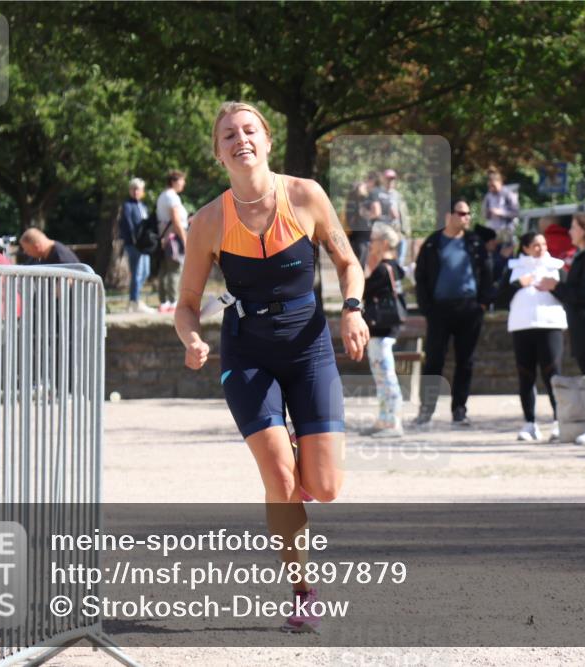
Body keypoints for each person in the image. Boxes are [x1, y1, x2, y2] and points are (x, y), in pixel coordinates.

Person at [174, 101, 368, 633]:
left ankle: (305, 458)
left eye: (250, 129)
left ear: (267, 139)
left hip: (308, 346)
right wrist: (192, 339)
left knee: (323, 487)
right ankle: (303, 591)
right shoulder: (208, 222)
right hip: (247, 351)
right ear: (218, 153)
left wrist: (352, 310)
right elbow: (186, 304)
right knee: (280, 477)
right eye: (229, 134)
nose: (241, 139)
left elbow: (348, 263)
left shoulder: (305, 195)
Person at [413, 199, 494, 427]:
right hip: (439, 310)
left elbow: (487, 273)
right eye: (461, 213)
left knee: (465, 361)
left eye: (468, 213)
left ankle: (459, 410)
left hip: (469, 309)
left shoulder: (474, 243)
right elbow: (420, 277)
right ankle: (426, 411)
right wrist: (426, 308)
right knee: (434, 361)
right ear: (449, 216)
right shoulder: (433, 243)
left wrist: (483, 304)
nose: (466, 217)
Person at [538, 213, 585, 444]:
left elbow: (584, 295)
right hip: (581, 324)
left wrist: (555, 286)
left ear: (583, 230)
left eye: (573, 227)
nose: (569, 232)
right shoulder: (584, 257)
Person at [503, 231, 566, 441]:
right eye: (536, 245)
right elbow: (499, 296)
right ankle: (529, 423)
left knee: (553, 373)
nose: (541, 248)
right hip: (522, 327)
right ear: (526, 248)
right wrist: (518, 284)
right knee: (526, 375)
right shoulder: (514, 269)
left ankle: (559, 421)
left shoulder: (556, 266)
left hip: (550, 325)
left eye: (544, 244)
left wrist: (553, 286)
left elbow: (569, 293)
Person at [360, 222, 405, 438]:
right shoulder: (393, 266)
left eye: (374, 239)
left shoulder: (382, 269)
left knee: (386, 376)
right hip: (383, 329)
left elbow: (363, 287)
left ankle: (393, 422)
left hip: (382, 329)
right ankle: (384, 418)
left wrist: (368, 262)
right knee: (381, 375)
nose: (370, 243)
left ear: (384, 243)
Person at [156, 170, 189, 313]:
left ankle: (164, 301)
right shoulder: (172, 197)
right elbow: (176, 221)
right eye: (182, 180)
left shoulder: (163, 195)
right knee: (175, 269)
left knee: (164, 270)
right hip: (174, 238)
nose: (184, 183)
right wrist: (185, 239)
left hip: (164, 237)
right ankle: (173, 301)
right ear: (174, 181)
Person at [120, 177, 153, 313]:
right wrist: (135, 240)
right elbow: (128, 224)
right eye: (133, 189)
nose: (135, 192)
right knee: (137, 272)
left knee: (145, 271)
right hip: (133, 244)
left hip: (144, 245)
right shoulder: (128, 205)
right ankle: (134, 301)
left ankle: (136, 298)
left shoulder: (143, 206)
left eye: (138, 189)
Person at [344, 172, 377, 267]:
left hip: (361, 238)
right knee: (358, 265)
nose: (366, 188)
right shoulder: (355, 202)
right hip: (359, 239)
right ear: (358, 189)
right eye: (363, 187)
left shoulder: (358, 201)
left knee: (360, 264)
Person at [482, 168, 519, 237]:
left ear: (500, 182)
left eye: (493, 186)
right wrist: (488, 212)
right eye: (490, 186)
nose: (491, 188)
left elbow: (515, 212)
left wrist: (501, 212)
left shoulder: (508, 194)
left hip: (506, 228)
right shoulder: (488, 196)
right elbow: (484, 214)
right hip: (492, 228)